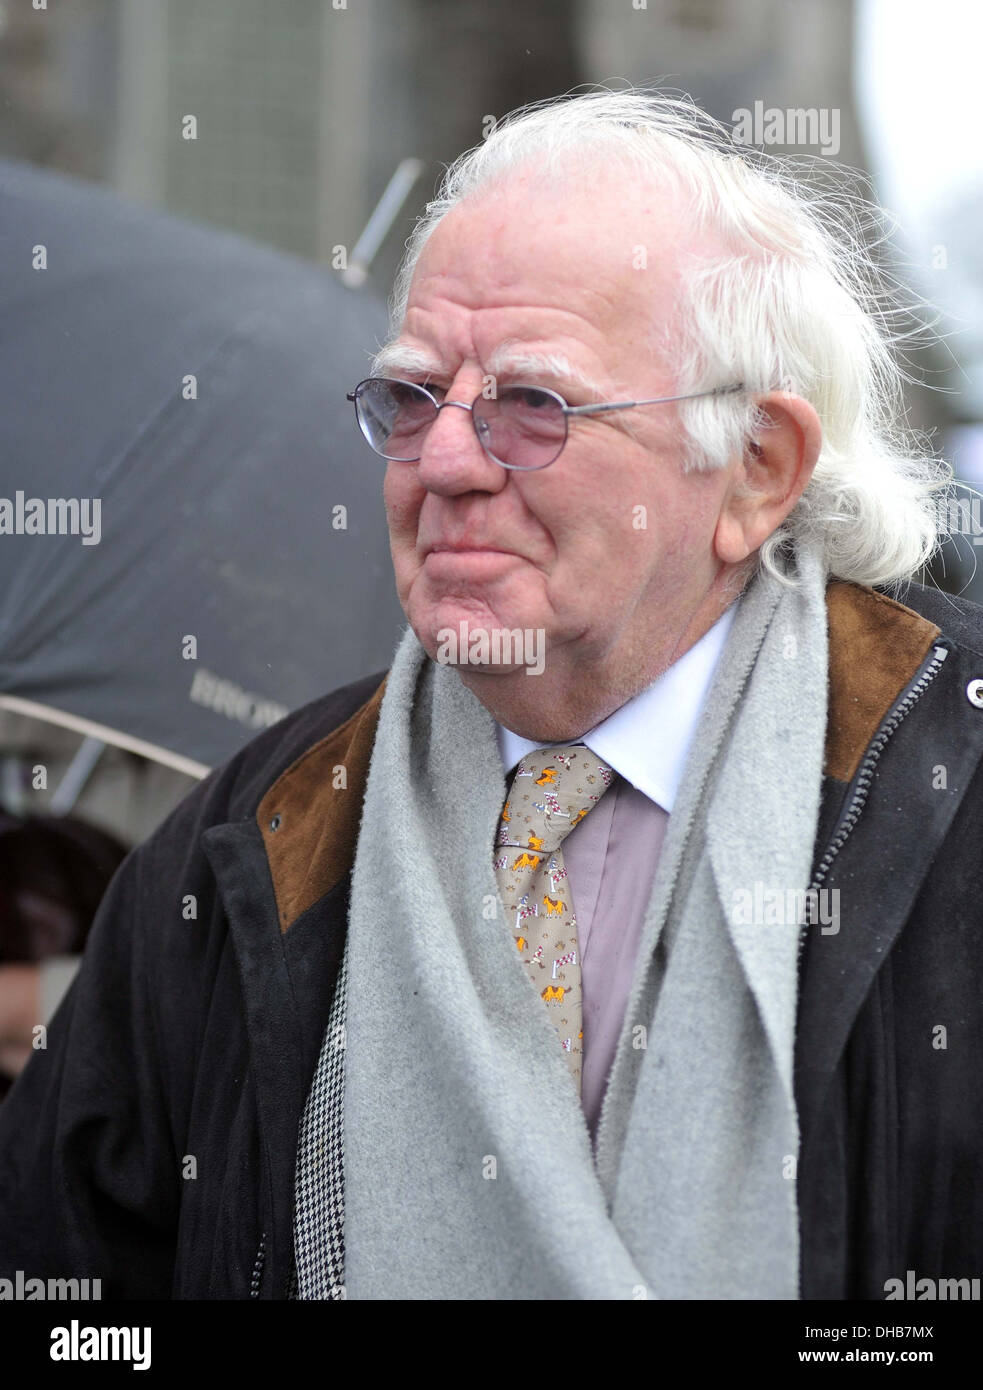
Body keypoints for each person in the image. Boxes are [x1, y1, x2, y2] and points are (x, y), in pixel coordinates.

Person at [1, 88, 980, 1302]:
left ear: (754, 468)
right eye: (411, 399)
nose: (448, 462)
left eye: (535, 405)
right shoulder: (250, 836)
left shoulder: (953, 789)